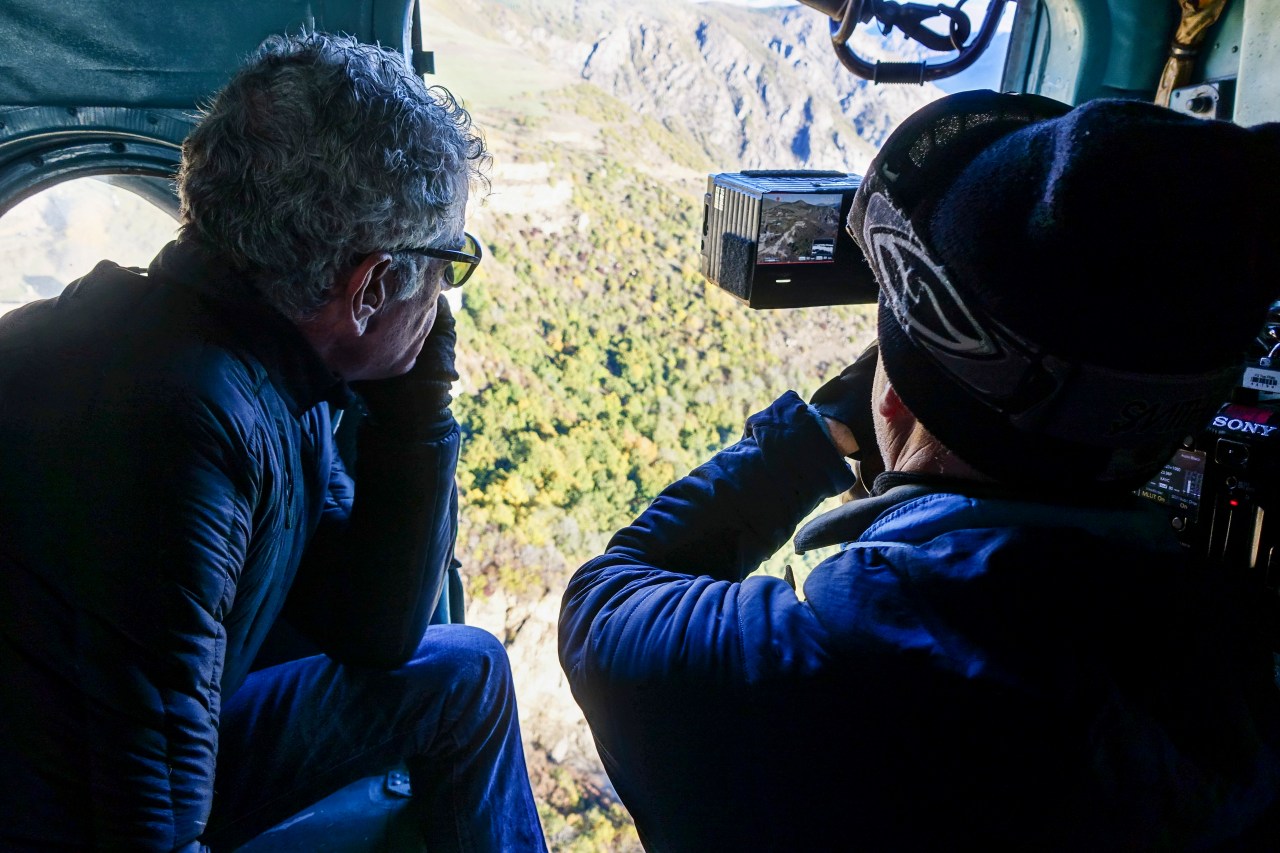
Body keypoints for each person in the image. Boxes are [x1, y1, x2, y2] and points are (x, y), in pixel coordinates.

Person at [559, 90, 1280, 851]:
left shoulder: (805, 674)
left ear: (896, 399)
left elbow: (604, 603)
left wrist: (813, 441)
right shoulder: (1241, 696)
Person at [0, 32, 547, 852]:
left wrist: (417, 396)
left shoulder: (258, 366)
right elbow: (145, 820)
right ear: (366, 285)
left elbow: (374, 628)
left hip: (110, 748)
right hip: (49, 806)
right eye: (445, 267)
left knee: (464, 670)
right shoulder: (183, 425)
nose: (442, 297)